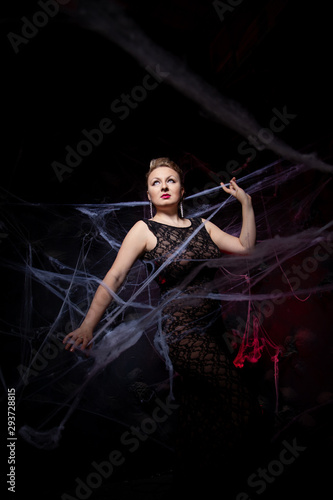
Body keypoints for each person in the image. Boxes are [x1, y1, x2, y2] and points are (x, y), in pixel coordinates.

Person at [63, 157, 259, 492]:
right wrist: (87, 326)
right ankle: (231, 481)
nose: (164, 186)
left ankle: (195, 485)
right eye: (156, 183)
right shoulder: (144, 230)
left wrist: (247, 203)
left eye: (170, 180)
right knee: (241, 404)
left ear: (182, 189)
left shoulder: (203, 227)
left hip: (214, 329)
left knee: (200, 413)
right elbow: (116, 276)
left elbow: (245, 247)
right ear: (149, 194)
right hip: (182, 332)